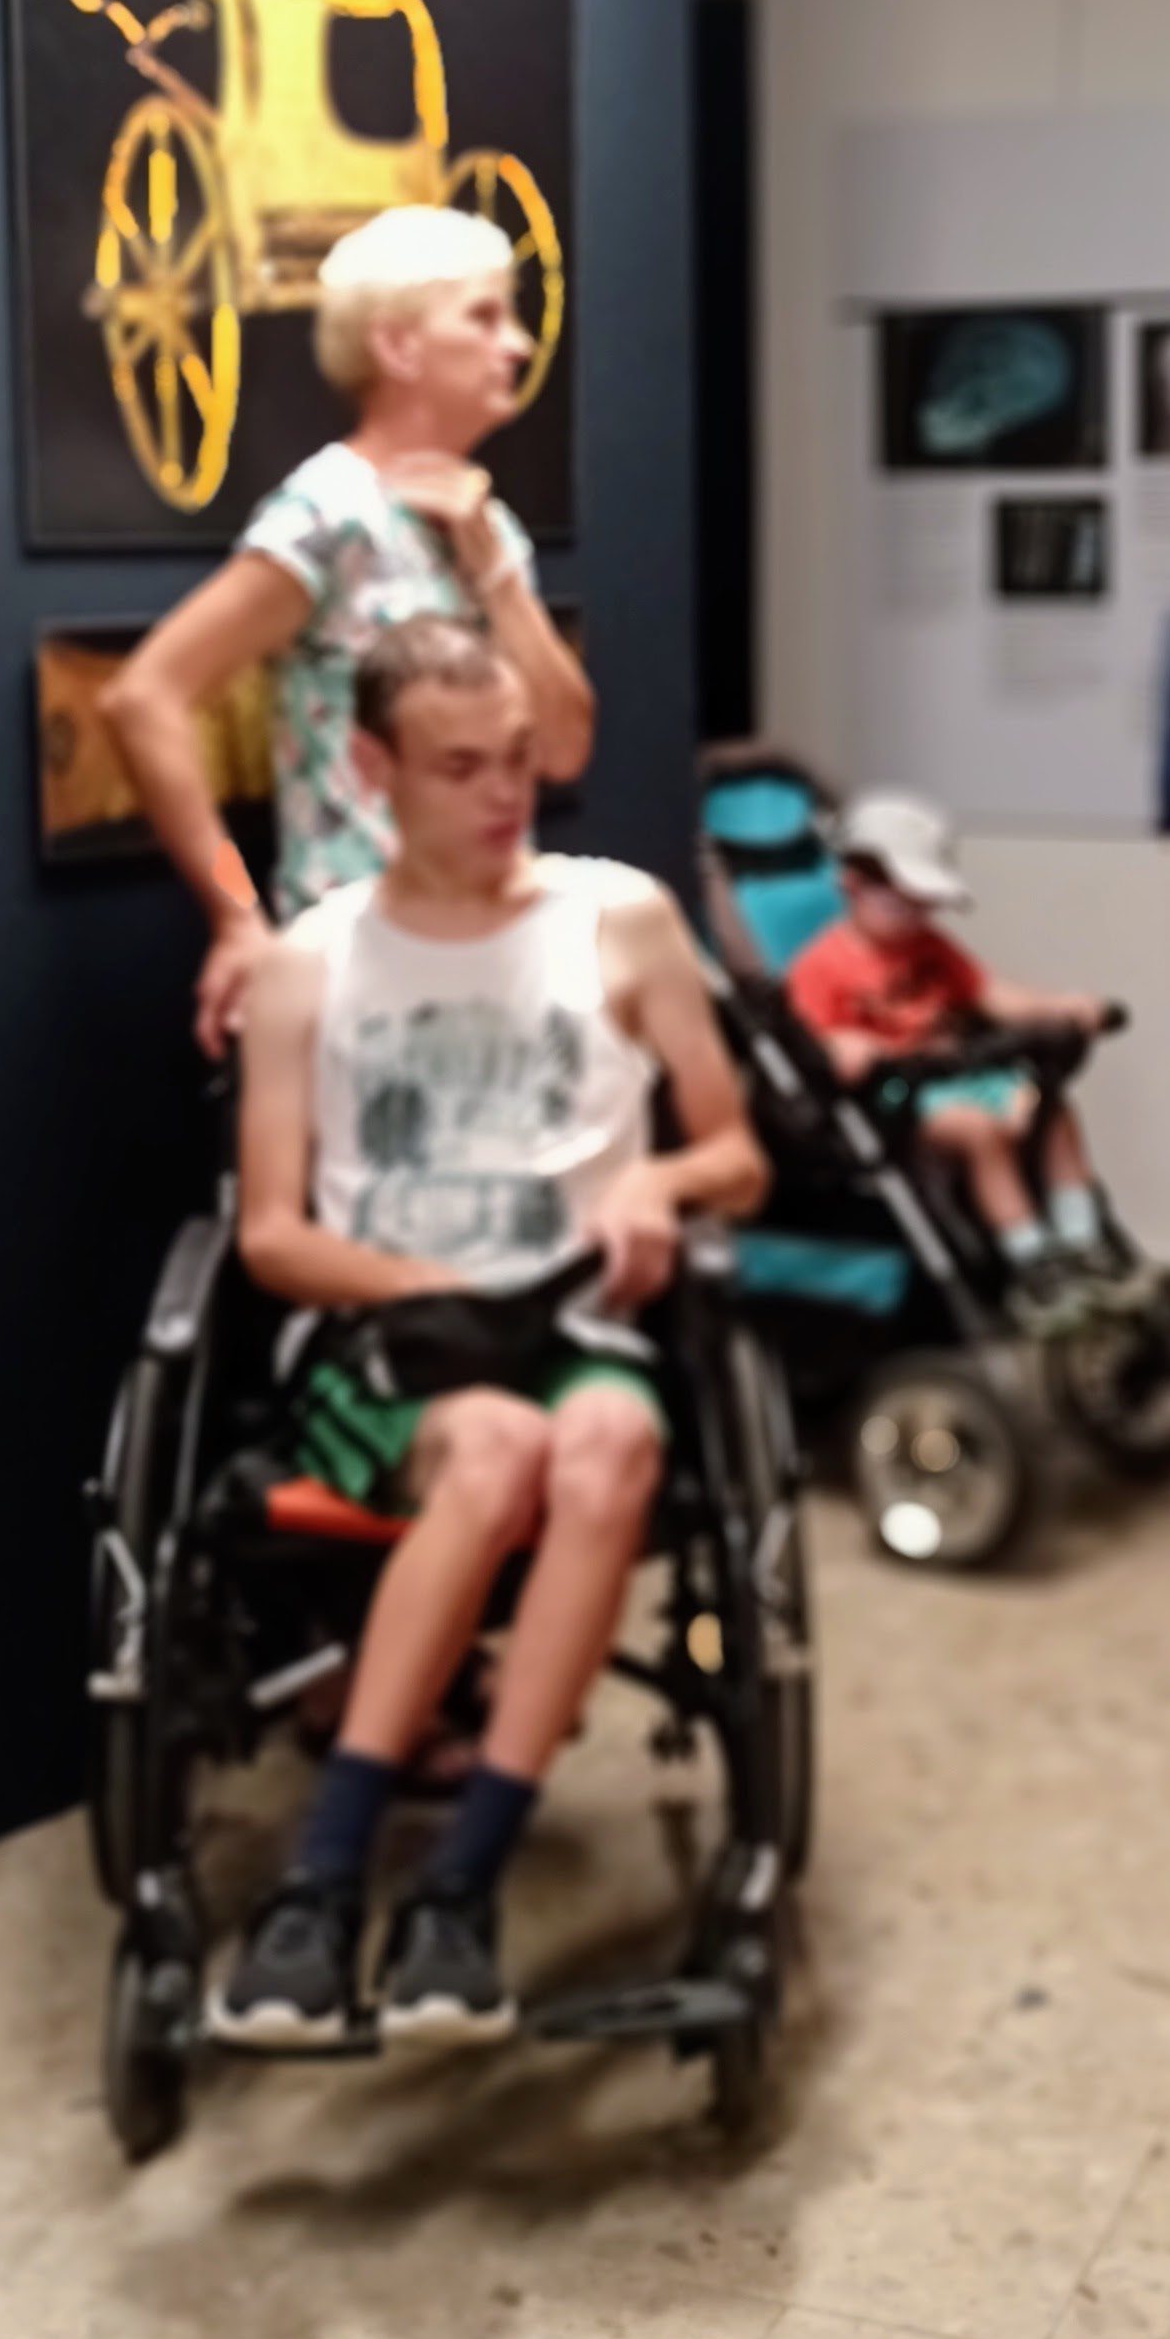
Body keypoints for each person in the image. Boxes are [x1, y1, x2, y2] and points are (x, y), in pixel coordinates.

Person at [213, 617, 766, 2050]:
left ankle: (457, 1890)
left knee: (603, 1445)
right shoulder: (310, 962)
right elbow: (270, 1234)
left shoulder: (621, 919)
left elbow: (739, 1158)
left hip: (576, 1319)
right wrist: (421, 1288)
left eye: (518, 759)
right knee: (498, 1451)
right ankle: (323, 1883)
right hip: (396, 1336)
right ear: (373, 768)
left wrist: (658, 1181)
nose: (505, 793)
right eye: (460, 768)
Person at [105, 205, 600, 1054]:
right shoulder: (330, 514)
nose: (517, 346)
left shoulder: (490, 528)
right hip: (358, 975)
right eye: (484, 318)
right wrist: (235, 915)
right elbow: (142, 696)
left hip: (487, 961)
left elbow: (562, 748)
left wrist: (495, 573)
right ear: (399, 347)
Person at [783, 789, 1113, 1279]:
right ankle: (1031, 1256)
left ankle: (1083, 1242)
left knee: (1051, 1110)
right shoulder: (820, 965)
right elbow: (810, 1043)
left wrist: (1058, 1006)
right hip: (901, 1098)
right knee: (979, 1132)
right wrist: (841, 1048)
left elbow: (989, 993)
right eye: (904, 905)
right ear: (853, 883)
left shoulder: (930, 946)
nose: (919, 917)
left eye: (927, 906)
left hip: (963, 1073)